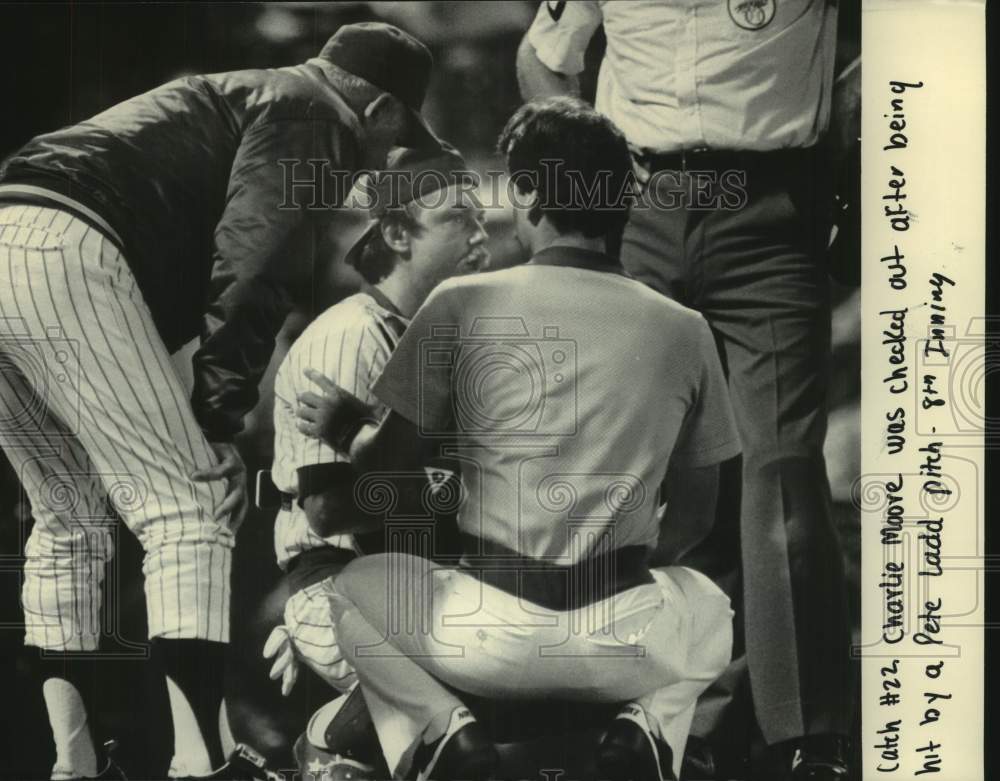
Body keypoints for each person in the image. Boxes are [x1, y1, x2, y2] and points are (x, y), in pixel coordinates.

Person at [0, 22, 436, 780]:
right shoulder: (318, 115)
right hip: (67, 241)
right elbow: (254, 268)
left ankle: (70, 764)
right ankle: (202, 761)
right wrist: (217, 422)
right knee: (190, 509)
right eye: (400, 134)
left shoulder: (255, 92)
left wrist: (199, 417)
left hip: (17, 221)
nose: (388, 158)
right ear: (384, 108)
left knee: (68, 518)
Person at [297, 97, 741, 781]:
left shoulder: (461, 300)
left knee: (353, 587)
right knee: (710, 604)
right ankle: (645, 729)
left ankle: (445, 734)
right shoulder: (685, 327)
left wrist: (341, 424)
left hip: (487, 636)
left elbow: (381, 471)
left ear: (531, 192)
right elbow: (697, 514)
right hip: (623, 637)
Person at [517, 3, 852, 779]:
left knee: (779, 468)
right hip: (637, 208)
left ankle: (806, 739)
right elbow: (546, 57)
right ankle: (631, 727)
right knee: (628, 466)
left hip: (769, 209)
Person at [261, 144, 487, 753]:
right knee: (465, 735)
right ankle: (332, 740)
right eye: (460, 219)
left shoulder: (448, 340)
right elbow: (331, 509)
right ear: (396, 232)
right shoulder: (350, 333)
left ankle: (355, 729)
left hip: (424, 581)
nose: (481, 236)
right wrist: (456, 489)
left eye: (482, 220)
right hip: (338, 583)